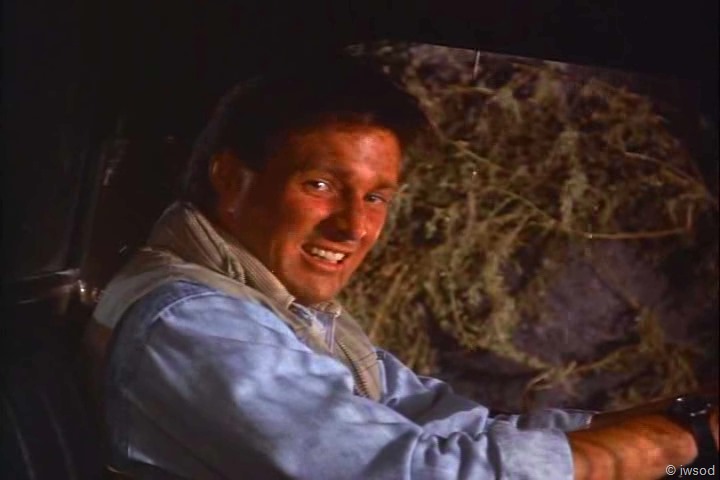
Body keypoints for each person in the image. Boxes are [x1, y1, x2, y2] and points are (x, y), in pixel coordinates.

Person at [87, 53, 718, 479]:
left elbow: (456, 429)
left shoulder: (280, 313)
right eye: (320, 185)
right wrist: (676, 447)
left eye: (376, 198)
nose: (354, 227)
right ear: (231, 179)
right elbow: (416, 472)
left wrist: (682, 423)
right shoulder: (197, 322)